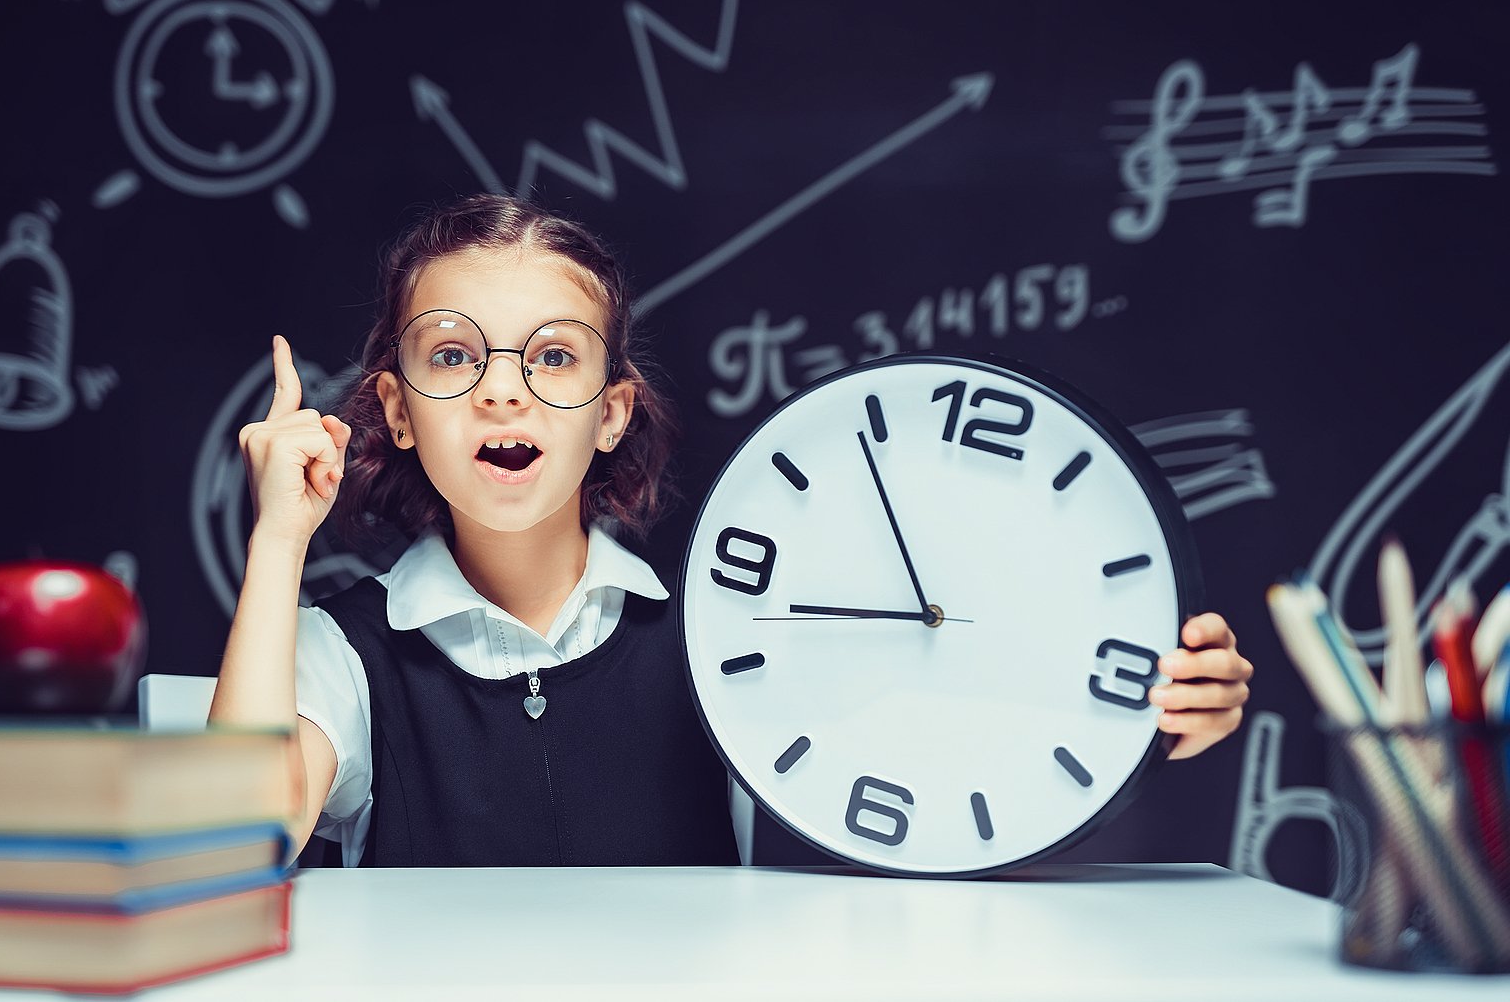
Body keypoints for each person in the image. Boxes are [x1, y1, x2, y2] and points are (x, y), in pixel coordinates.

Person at [209, 193, 1254, 868]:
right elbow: (230, 850)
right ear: (394, 408)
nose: (502, 395)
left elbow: (951, 747)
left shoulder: (726, 640)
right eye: (452, 357)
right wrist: (278, 544)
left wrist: (1142, 722)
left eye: (555, 356)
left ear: (611, 410)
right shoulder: (338, 649)